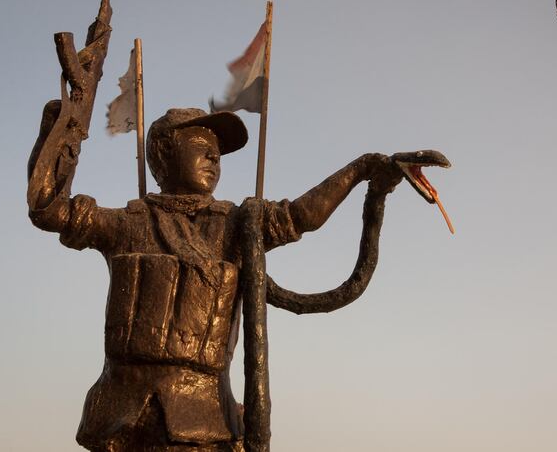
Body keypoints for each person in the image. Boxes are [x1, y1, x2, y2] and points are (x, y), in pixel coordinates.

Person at [28, 106, 402, 451]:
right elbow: (48, 208)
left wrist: (361, 170)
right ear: (161, 152)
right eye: (201, 146)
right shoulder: (128, 223)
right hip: (121, 420)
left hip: (207, 421)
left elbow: (300, 216)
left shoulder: (240, 225)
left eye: (218, 152)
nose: (214, 157)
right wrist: (62, 127)